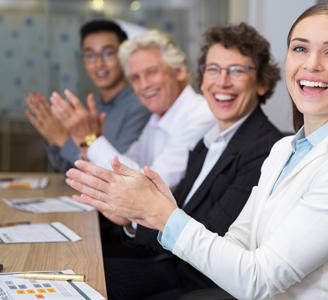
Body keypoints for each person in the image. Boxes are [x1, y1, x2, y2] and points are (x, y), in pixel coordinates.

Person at [66, 2, 328, 299]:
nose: (311, 64)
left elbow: (259, 279)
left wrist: (163, 215)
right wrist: (162, 212)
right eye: (300, 48)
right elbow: (236, 242)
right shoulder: (285, 149)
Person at [101, 23, 285, 299]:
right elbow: (183, 211)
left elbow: (213, 237)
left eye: (236, 70)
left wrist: (137, 218)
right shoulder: (209, 140)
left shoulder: (265, 148)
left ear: (261, 82)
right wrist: (132, 219)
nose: (221, 82)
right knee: (81, 272)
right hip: (171, 264)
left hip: (199, 284)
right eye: (213, 69)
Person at [53, 29, 216, 193]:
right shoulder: (157, 118)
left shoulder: (201, 115)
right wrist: (88, 142)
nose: (144, 85)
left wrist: (91, 139)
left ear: (180, 71)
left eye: (151, 72)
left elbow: (151, 187)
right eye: (135, 78)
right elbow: (121, 170)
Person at [24, 20, 150, 172]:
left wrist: (63, 140)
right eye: (90, 55)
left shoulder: (141, 105)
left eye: (108, 53)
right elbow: (68, 169)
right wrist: (52, 135)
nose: (99, 64)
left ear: (125, 56)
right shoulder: (95, 106)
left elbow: (117, 171)